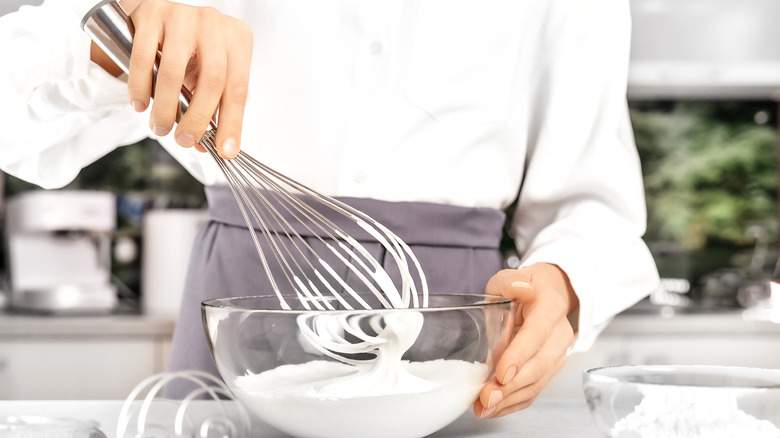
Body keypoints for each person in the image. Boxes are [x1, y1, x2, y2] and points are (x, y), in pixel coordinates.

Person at [0, 0, 659, 419]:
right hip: (243, 324)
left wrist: (565, 285)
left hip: (452, 356)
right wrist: (120, 24)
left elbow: (592, 209)